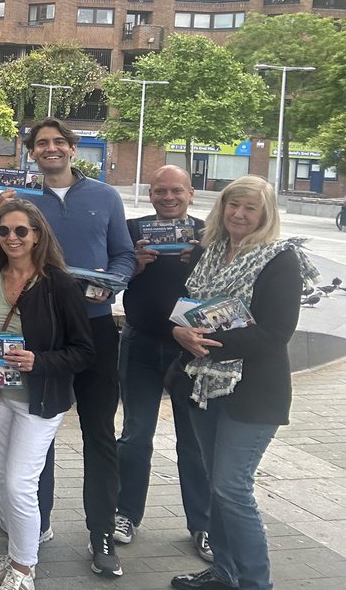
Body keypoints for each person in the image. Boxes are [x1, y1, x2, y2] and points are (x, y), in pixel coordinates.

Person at [169, 176, 314, 590]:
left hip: (252, 391)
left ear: (265, 214)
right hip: (203, 385)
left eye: (250, 208)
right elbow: (185, 310)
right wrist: (180, 332)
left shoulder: (279, 260)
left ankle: (255, 582)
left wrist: (205, 343)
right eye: (233, 205)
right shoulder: (209, 251)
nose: (239, 214)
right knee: (217, 486)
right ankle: (224, 573)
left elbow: (275, 333)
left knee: (232, 487)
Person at [13, 118, 136, 577]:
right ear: (32, 151)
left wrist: (115, 282)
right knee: (35, 435)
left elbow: (123, 253)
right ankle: (35, 526)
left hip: (98, 331)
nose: (50, 149)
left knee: (99, 435)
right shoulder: (21, 202)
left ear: (72, 147)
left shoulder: (104, 197)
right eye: (41, 143)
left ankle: (101, 534)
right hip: (42, 336)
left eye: (57, 142)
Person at [0, 200, 95, 590]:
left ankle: (24, 570)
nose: (11, 238)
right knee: (4, 480)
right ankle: (18, 551)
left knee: (21, 483)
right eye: (3, 231)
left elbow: (85, 351)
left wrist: (39, 360)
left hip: (39, 400)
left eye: (21, 230)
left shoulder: (60, 284)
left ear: (37, 234)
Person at [115, 166, 212, 562]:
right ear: (149, 193)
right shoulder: (131, 229)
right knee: (136, 435)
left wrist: (199, 262)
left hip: (190, 348)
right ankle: (125, 514)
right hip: (139, 343)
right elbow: (111, 282)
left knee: (194, 442)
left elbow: (221, 291)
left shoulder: (209, 234)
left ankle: (203, 524)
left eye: (176, 190)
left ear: (191, 193)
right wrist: (131, 267)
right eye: (159, 191)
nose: (168, 197)